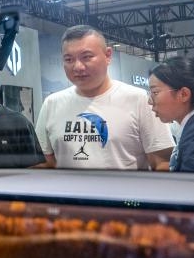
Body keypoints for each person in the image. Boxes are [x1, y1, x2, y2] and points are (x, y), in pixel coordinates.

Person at [35, 25, 173, 170]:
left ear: (108, 56)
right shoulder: (52, 103)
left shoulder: (138, 100)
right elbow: (46, 162)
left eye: (86, 57)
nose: (78, 67)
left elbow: (162, 162)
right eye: (69, 59)